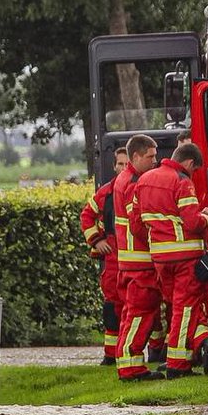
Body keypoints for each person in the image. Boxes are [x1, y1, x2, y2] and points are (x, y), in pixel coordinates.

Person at [131, 142, 208, 378]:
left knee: (176, 308)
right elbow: (192, 222)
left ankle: (198, 345)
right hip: (185, 258)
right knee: (185, 309)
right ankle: (178, 364)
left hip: (160, 258)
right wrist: (207, 218)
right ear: (190, 163)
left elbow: (135, 225)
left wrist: (157, 241)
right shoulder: (182, 181)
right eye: (195, 169)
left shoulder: (144, 180)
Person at [112, 134, 165, 382]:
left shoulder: (125, 179)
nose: (155, 161)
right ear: (135, 157)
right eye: (150, 156)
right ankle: (131, 367)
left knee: (132, 313)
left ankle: (130, 364)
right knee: (140, 312)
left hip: (129, 261)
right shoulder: (134, 182)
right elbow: (138, 223)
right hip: (140, 261)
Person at [80, 147, 128, 365]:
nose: (124, 168)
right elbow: (87, 216)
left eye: (127, 164)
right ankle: (111, 354)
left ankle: (155, 351)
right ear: (114, 166)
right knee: (112, 305)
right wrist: (97, 241)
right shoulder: (105, 192)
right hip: (113, 256)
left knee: (146, 305)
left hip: (138, 254)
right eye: (120, 164)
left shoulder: (142, 187)